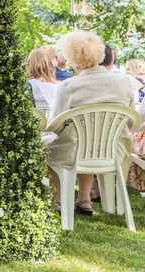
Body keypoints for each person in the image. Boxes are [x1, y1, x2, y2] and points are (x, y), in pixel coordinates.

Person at [47, 31, 134, 216]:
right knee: (87, 141)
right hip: (114, 150)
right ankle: (84, 199)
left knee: (54, 147)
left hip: (77, 151)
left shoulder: (69, 86)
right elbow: (131, 119)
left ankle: (59, 201)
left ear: (73, 59)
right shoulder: (124, 82)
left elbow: (56, 125)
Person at [27, 49, 59, 121]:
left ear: (30, 66)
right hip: (57, 129)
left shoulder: (29, 85)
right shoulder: (60, 86)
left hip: (36, 129)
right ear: (49, 64)